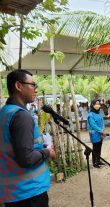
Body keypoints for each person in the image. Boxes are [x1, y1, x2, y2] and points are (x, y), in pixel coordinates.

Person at [0, 70, 55, 207]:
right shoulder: (21, 116)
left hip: (13, 192)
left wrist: (38, 149)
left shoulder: (5, 112)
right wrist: (48, 152)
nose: (35, 90)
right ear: (18, 86)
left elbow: (16, 148)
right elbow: (26, 158)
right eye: (33, 85)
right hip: (29, 193)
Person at [88, 99, 108, 168]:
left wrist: (102, 129)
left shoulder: (99, 113)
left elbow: (102, 122)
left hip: (100, 133)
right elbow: (93, 125)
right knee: (95, 148)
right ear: (93, 105)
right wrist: (101, 131)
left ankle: (98, 160)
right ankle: (95, 163)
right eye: (96, 104)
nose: (98, 105)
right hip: (94, 134)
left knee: (99, 147)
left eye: (98, 104)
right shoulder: (90, 115)